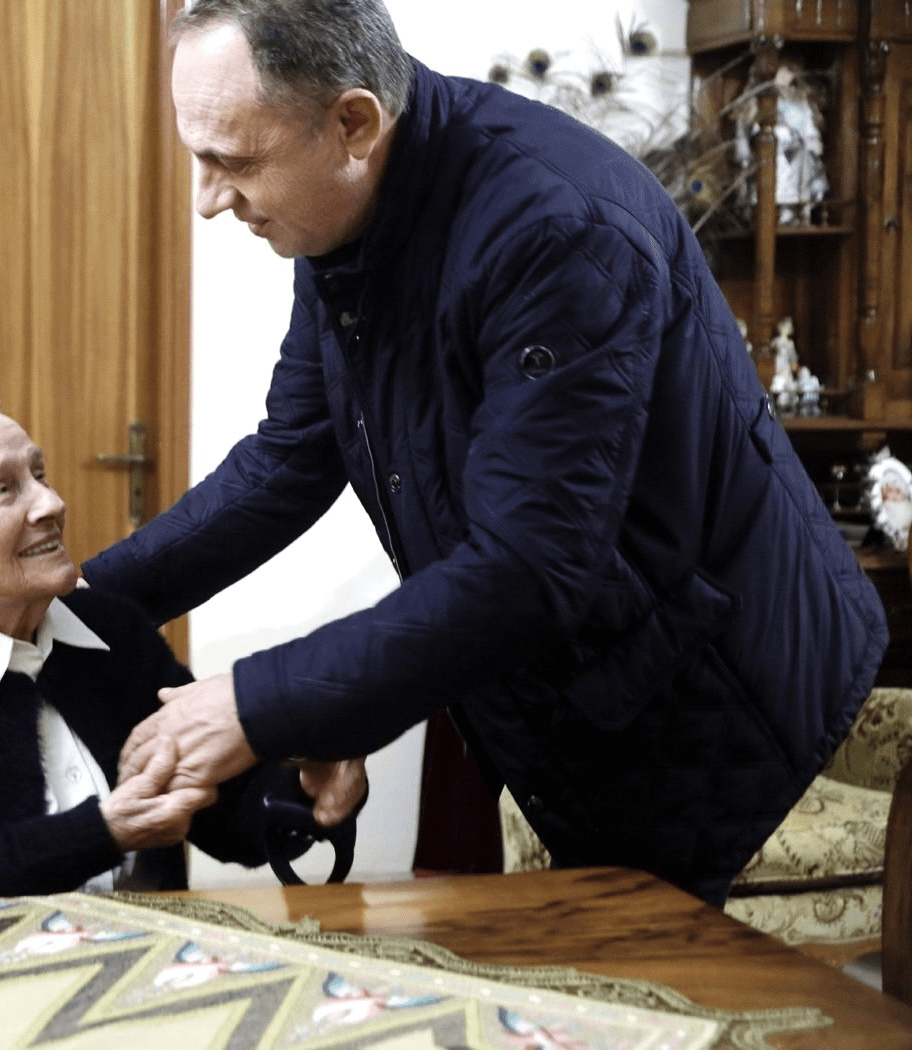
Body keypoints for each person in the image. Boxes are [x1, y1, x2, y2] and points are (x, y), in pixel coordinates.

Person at [85, 0, 887, 907]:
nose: (206, 199)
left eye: (234, 161)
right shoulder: (345, 212)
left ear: (352, 124)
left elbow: (529, 565)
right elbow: (287, 459)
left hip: (729, 721)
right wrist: (81, 603)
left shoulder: (557, 230)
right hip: (585, 702)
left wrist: (256, 704)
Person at [0, 375, 365, 906]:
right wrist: (98, 834)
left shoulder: (111, 631)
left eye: (40, 475)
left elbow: (224, 814)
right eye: (4, 489)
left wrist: (304, 788)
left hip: (148, 967)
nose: (52, 504)